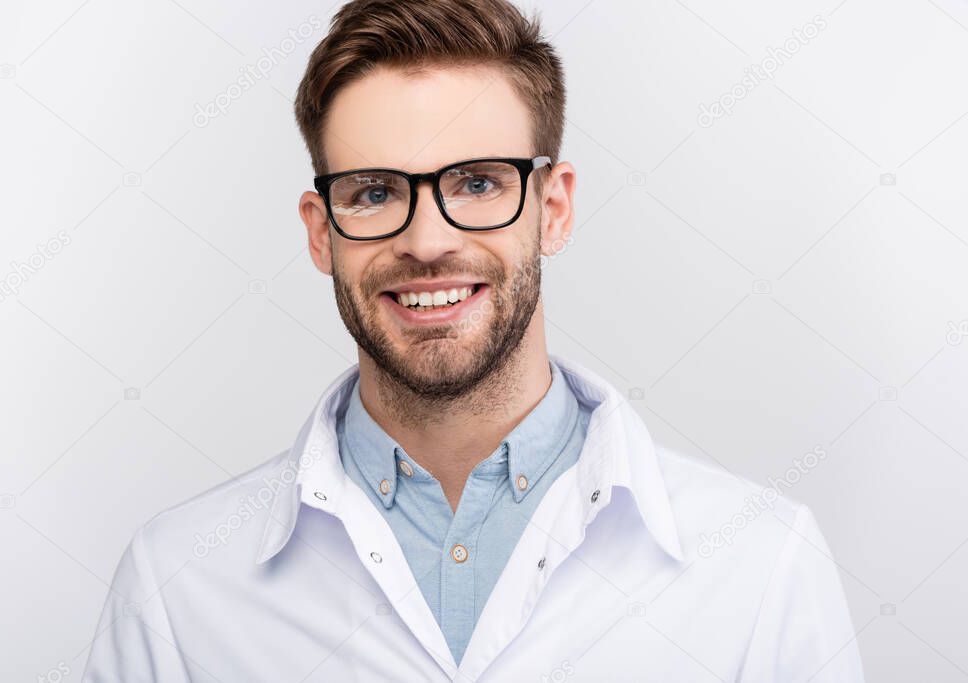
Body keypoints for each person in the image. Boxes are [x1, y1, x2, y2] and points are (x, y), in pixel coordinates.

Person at [84, 1, 864, 680]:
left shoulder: (761, 565)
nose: (427, 240)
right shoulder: (175, 587)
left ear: (552, 209)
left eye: (478, 183)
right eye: (376, 192)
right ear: (322, 233)